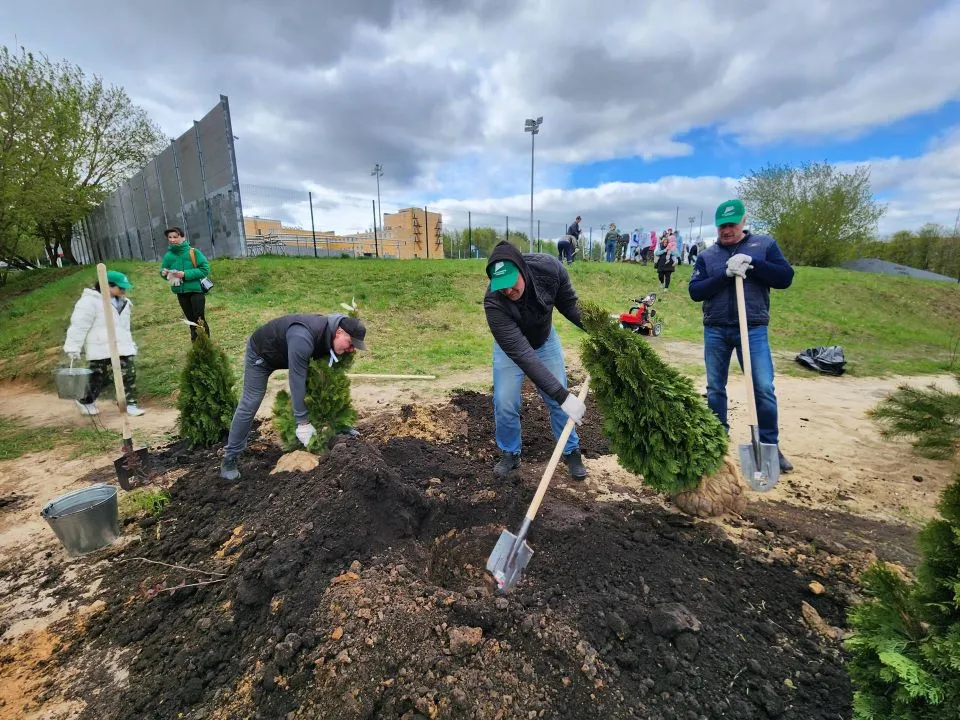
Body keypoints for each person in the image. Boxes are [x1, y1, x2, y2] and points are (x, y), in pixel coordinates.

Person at [688, 199, 795, 473]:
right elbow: (696, 291)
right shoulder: (707, 256)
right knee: (714, 389)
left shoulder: (764, 246)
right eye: (722, 225)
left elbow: (785, 278)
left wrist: (754, 265)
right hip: (716, 328)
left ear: (743, 222)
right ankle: (717, 442)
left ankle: (768, 446)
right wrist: (725, 274)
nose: (727, 230)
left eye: (732, 224)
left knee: (763, 388)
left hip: (753, 328)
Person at [483, 241, 588, 480]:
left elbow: (570, 306)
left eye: (511, 284)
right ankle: (510, 452)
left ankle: (571, 451)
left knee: (557, 400)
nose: (508, 292)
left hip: (544, 340)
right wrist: (563, 396)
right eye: (502, 288)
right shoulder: (493, 303)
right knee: (505, 401)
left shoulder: (548, 270)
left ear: (521, 269)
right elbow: (522, 355)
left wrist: (600, 330)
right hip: (512, 350)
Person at [220, 314, 368, 481]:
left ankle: (338, 427)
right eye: (351, 344)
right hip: (262, 355)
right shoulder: (303, 337)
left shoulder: (330, 336)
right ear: (340, 332)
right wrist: (302, 423)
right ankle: (230, 457)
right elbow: (297, 379)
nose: (351, 350)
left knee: (319, 384)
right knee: (251, 401)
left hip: (290, 353)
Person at [63, 270, 145, 417]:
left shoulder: (124, 303)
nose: (124, 290)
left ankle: (129, 404)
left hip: (122, 347)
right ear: (108, 286)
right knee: (99, 377)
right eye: (121, 287)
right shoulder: (89, 302)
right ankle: (85, 401)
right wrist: (73, 347)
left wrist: (130, 343)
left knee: (129, 374)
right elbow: (79, 325)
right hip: (100, 347)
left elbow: (124, 327)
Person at [160, 227, 212, 342]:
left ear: (182, 237)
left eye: (175, 237)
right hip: (181, 292)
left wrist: (185, 274)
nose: (172, 240)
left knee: (199, 318)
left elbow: (204, 269)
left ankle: (206, 344)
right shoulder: (168, 256)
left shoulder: (193, 252)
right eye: (170, 237)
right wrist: (165, 273)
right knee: (191, 321)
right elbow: (163, 272)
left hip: (196, 291)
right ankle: (196, 345)